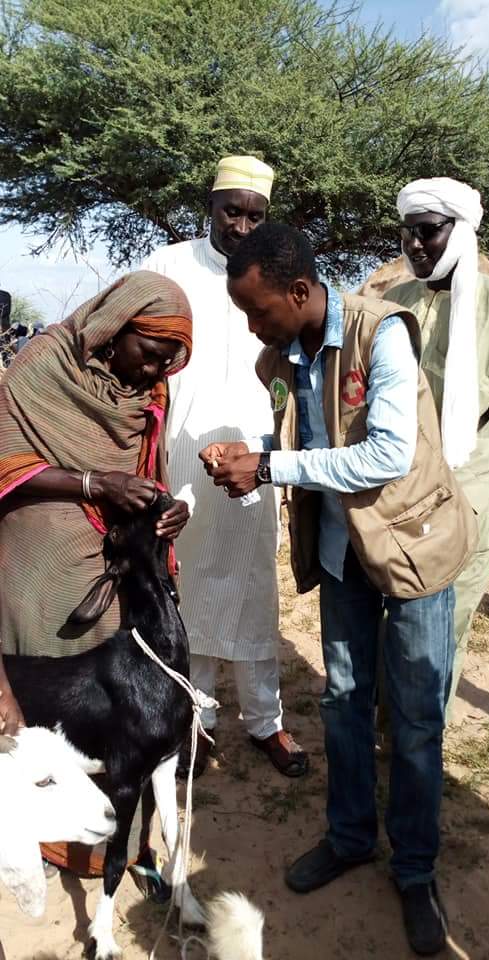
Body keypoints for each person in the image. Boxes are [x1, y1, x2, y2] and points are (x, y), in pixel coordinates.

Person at [200, 223, 477, 956]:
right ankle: (351, 837)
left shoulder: (380, 332)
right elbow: (310, 444)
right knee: (345, 702)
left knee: (414, 718)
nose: (253, 327)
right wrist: (249, 454)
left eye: (259, 312)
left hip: (411, 549)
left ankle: (415, 872)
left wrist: (267, 471)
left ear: (298, 292)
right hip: (342, 553)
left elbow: (386, 453)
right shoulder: (284, 355)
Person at [0, 270, 193, 894]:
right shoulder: (41, 367)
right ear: (116, 326)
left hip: (114, 566)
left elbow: (145, 472)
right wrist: (92, 484)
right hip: (40, 557)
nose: (151, 373)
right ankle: (55, 827)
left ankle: (117, 840)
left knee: (116, 699)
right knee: (48, 692)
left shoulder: (151, 392)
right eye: (148, 354)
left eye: (167, 363)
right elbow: (4, 463)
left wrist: (166, 509)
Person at [142, 156, 308, 778]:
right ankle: (198, 719)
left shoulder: (275, 271)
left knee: (253, 586)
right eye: (231, 211)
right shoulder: (167, 266)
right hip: (182, 450)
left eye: (255, 215)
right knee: (189, 590)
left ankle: (266, 720)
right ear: (208, 206)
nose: (242, 225)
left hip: (251, 450)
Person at [385, 177, 489, 703]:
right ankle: (392, 726)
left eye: (428, 232)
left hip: (467, 497)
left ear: (461, 232)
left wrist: (464, 486)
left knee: (446, 626)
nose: (415, 245)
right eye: (408, 233)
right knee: (395, 617)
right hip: (395, 490)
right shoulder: (395, 300)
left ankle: (425, 738)